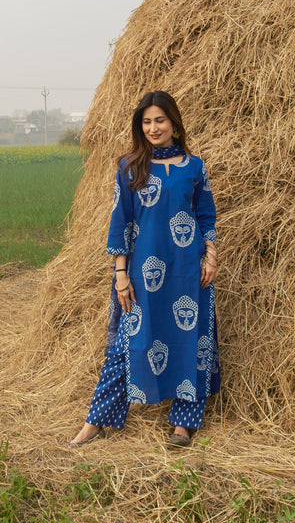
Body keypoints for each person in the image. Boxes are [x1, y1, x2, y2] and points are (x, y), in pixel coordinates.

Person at [70, 90, 220, 448]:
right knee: (127, 345)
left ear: (174, 124)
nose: (154, 128)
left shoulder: (194, 167)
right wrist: (121, 275)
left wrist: (211, 256)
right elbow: (120, 222)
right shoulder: (129, 167)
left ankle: (183, 425)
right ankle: (96, 420)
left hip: (188, 272)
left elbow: (206, 215)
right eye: (147, 121)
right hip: (142, 273)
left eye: (160, 120)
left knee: (191, 341)